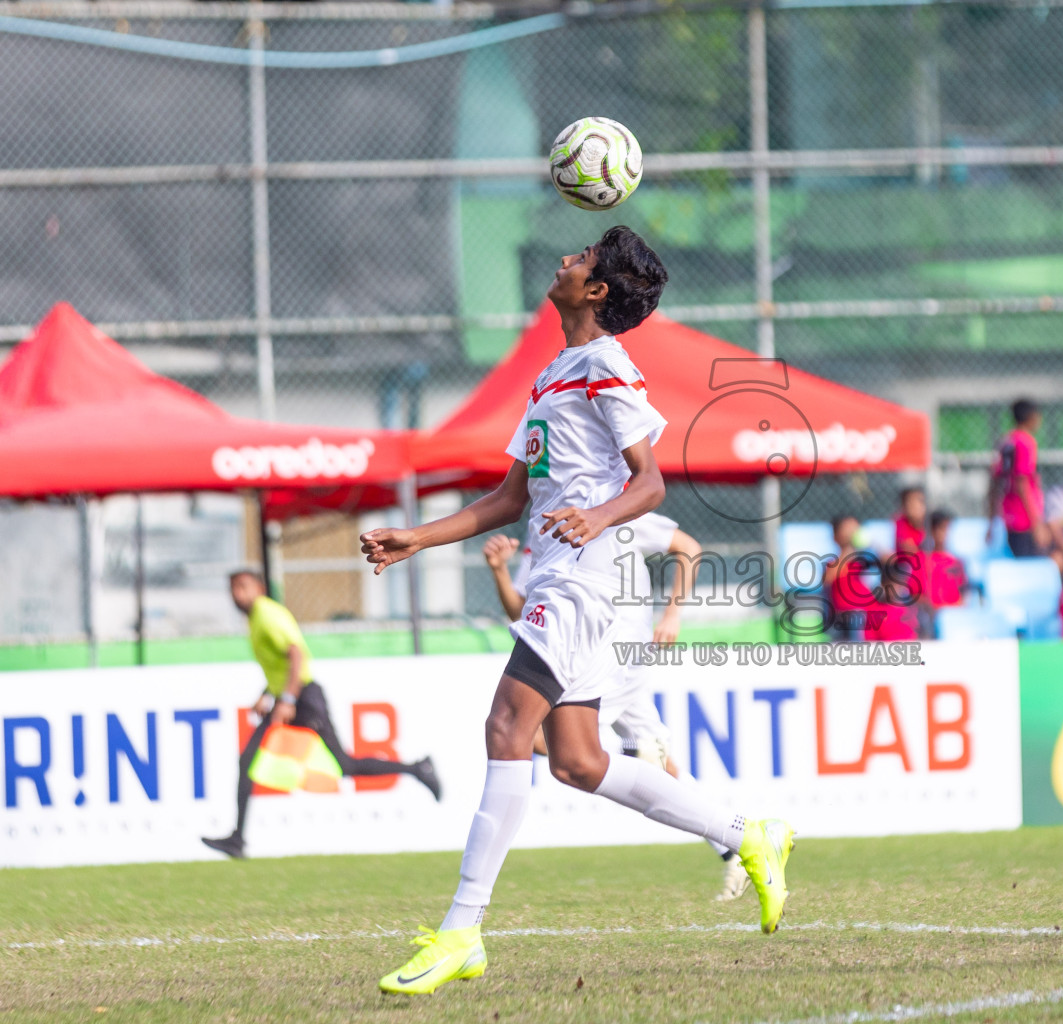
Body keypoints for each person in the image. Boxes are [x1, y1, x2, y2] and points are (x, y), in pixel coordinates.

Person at [360, 227, 793, 996]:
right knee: (578, 761)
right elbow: (510, 498)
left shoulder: (604, 365)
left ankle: (462, 931)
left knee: (504, 729)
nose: (567, 258)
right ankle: (745, 833)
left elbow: (651, 483)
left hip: (577, 584)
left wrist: (597, 518)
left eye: (584, 258)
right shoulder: (554, 375)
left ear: (596, 291)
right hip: (561, 575)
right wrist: (417, 540)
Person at [483, 519, 751, 903]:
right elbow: (524, 609)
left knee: (544, 741)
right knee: (653, 758)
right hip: (584, 655)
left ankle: (743, 840)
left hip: (616, 655)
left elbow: (688, 547)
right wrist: (498, 571)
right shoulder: (542, 526)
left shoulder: (612, 510)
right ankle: (739, 844)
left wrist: (672, 614)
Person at [201, 571, 440, 860]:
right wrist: (267, 694)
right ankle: (237, 840)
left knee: (345, 765)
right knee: (247, 760)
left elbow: (296, 654)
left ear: (260, 588)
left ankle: (417, 769)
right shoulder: (255, 618)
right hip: (286, 697)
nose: (237, 594)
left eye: (243, 587)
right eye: (233, 589)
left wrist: (287, 698)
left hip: (302, 698)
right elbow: (279, 663)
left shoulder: (266, 613)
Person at [987, 399, 1047, 557]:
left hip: (1009, 515)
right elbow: (1022, 482)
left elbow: (995, 482)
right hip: (1025, 519)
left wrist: (991, 522)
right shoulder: (1026, 442)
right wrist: (1037, 524)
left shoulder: (1005, 441)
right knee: (1031, 567)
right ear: (1032, 417)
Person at [824, 513, 877, 641]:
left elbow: (887, 560)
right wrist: (847, 550)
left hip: (863, 613)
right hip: (841, 615)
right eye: (846, 528)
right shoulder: (833, 562)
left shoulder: (863, 559)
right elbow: (828, 578)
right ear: (836, 536)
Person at [894, 486, 928, 556]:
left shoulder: (931, 523)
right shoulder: (900, 524)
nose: (914, 506)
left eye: (919, 501)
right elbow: (910, 552)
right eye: (910, 501)